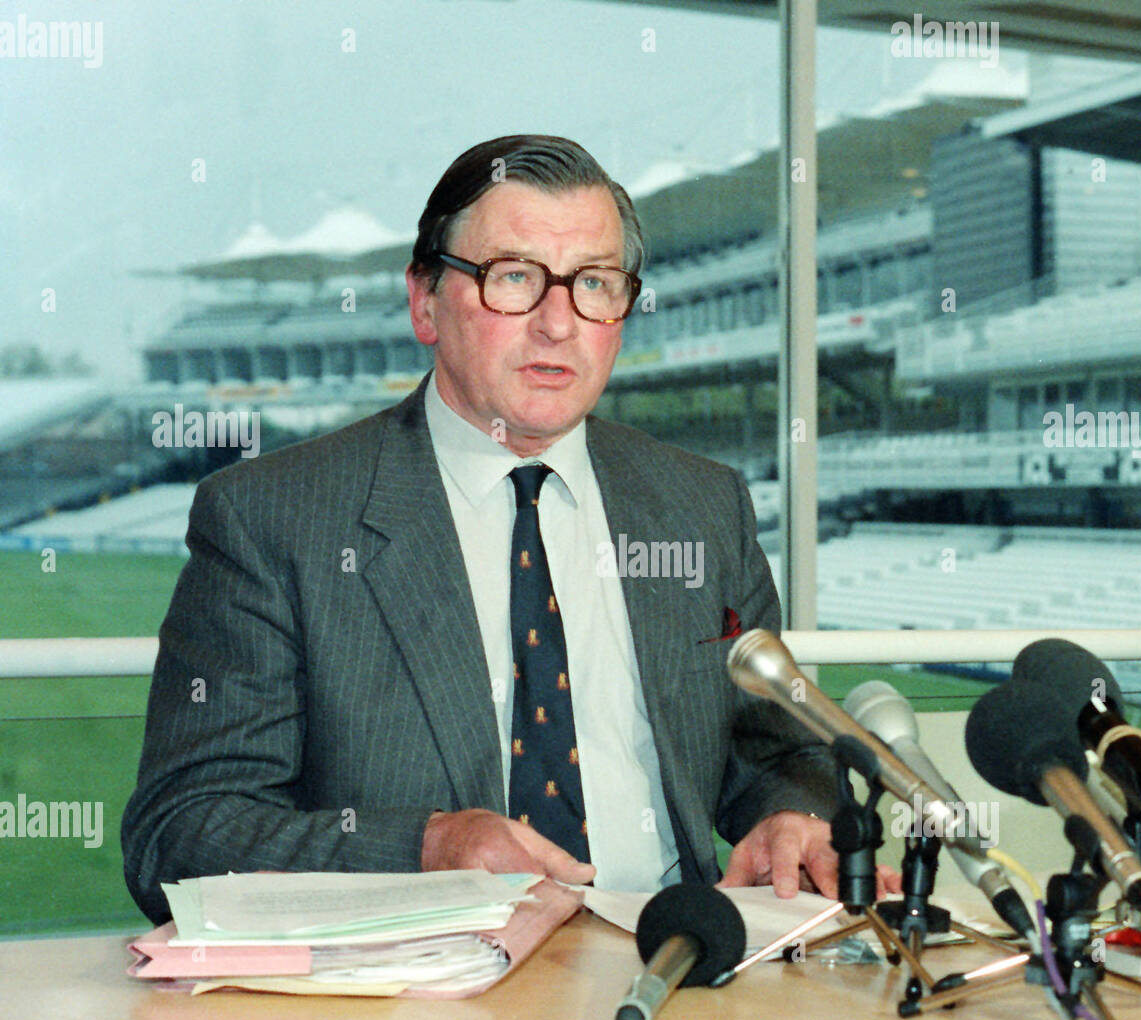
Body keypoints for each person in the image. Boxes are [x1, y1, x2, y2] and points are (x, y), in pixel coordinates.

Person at [122, 134, 899, 925]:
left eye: (594, 283)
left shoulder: (703, 506)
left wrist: (790, 819)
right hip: (415, 1001)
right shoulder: (273, 518)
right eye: (515, 278)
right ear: (425, 300)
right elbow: (180, 834)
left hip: (676, 960)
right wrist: (426, 848)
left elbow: (778, 752)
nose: (559, 323)